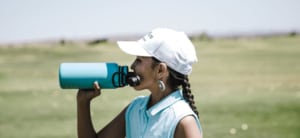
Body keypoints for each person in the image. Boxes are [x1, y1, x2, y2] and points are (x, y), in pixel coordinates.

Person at [77, 28, 203, 138]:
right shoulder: (135, 109)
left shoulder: (183, 121)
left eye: (139, 60)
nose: (132, 66)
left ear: (160, 70)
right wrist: (83, 102)